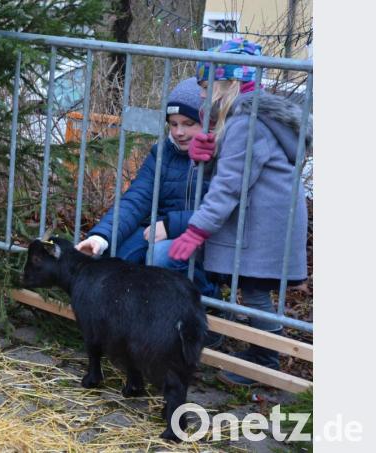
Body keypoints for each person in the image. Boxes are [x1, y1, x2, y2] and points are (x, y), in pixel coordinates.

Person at [169, 38, 309, 386]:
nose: (201, 96)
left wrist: (196, 229)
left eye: (205, 87)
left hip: (263, 228)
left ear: (228, 84)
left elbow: (230, 185)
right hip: (264, 225)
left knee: (255, 291)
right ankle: (262, 352)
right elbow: (237, 167)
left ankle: (266, 359)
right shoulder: (247, 119)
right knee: (251, 289)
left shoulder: (248, 123)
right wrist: (211, 151)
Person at [75, 77, 216, 300]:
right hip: (158, 229)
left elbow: (221, 211)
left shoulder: (223, 156)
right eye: (173, 123)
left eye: (189, 124)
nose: (179, 132)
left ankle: (209, 301)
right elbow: (137, 197)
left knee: (160, 255)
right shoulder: (162, 152)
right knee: (116, 256)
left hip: (206, 238)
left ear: (210, 121)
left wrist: (172, 225)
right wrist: (101, 238)